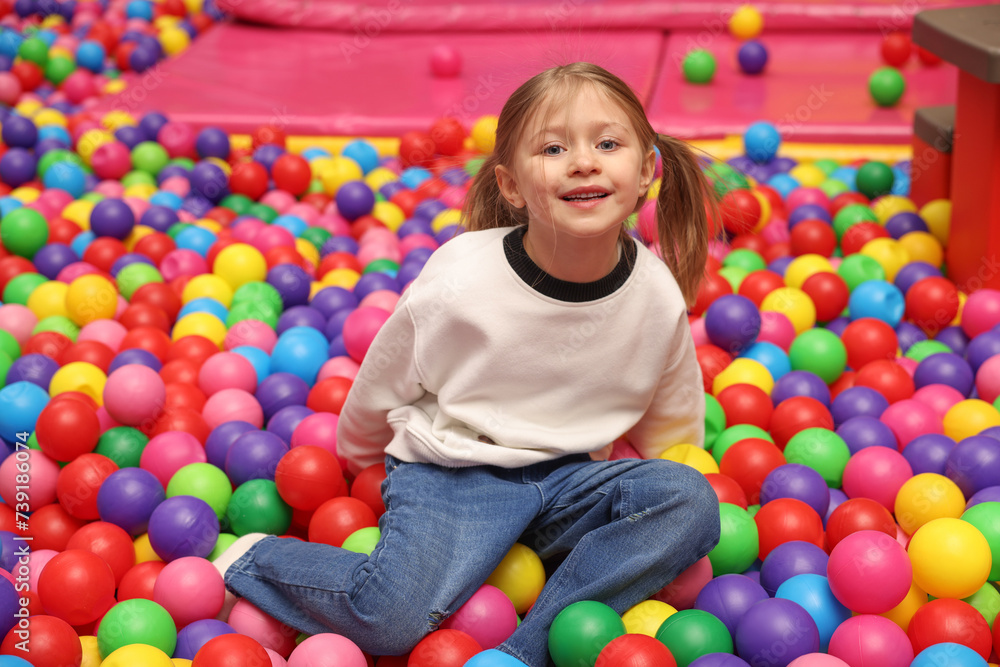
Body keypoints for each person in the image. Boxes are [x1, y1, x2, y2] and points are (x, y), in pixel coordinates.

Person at [215, 61, 721, 666]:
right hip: (459, 473)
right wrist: (358, 462)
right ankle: (255, 558)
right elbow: (388, 374)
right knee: (391, 620)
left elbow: (671, 403)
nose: (584, 161)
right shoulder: (463, 277)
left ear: (644, 172)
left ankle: (526, 651)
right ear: (511, 186)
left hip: (569, 482)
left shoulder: (655, 292)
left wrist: (668, 474)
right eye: (554, 148)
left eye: (607, 144)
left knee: (688, 501)